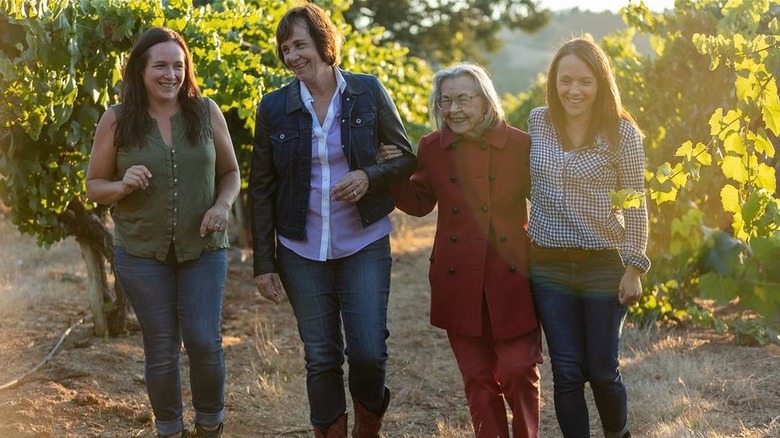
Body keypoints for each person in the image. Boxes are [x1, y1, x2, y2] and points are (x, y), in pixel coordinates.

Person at [248, 4, 416, 437]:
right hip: (301, 248)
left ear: (324, 43)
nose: (292, 56)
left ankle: (368, 425)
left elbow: (405, 157)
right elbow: (262, 189)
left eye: (300, 45)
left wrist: (367, 176)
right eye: (285, 49)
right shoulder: (274, 108)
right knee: (321, 356)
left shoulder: (367, 91)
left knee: (368, 352)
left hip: (363, 240)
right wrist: (264, 263)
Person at [85, 27, 240, 438]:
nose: (170, 74)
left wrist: (221, 205)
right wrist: (122, 185)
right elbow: (94, 185)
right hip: (140, 253)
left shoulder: (206, 112)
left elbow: (230, 172)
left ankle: (210, 425)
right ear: (140, 70)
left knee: (205, 342)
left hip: (204, 247)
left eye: (178, 65)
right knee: (162, 350)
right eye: (160, 65)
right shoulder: (116, 120)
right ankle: (169, 429)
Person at [380, 62, 542, 437]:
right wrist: (390, 173)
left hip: (511, 279)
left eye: (463, 100)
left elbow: (546, 203)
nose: (452, 110)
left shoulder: (519, 144)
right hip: (457, 280)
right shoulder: (432, 147)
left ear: (486, 103)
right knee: (479, 381)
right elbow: (420, 202)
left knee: (519, 370)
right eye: (445, 101)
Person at [526, 37, 650, 438]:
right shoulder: (537, 122)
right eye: (565, 81)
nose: (574, 90)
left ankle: (618, 434)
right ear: (554, 83)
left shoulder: (622, 134)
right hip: (548, 264)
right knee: (566, 371)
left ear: (601, 83)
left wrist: (633, 266)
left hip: (602, 263)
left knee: (601, 370)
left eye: (584, 81)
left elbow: (635, 204)